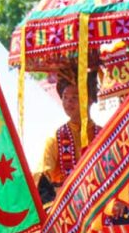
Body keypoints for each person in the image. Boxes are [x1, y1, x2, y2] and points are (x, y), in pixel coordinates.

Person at [37, 68, 102, 204]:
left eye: (74, 98)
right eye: (65, 97)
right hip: (67, 208)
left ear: (89, 100)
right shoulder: (55, 138)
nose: (68, 102)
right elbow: (42, 179)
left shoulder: (103, 135)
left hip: (99, 205)